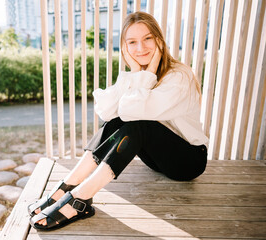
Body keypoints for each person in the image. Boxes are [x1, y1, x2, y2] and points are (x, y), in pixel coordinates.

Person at [29, 11, 208, 230]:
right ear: (124, 47)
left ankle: (81, 198)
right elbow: (107, 112)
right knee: (116, 121)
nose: (140, 48)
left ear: (159, 41)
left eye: (148, 39)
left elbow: (132, 111)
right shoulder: (138, 74)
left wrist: (147, 72)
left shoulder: (179, 76)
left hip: (187, 161)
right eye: (132, 42)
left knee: (139, 124)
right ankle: (69, 184)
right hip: (157, 160)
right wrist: (137, 72)